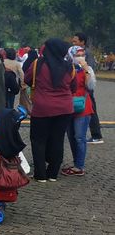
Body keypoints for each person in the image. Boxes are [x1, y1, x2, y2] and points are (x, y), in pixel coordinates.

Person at [24, 38, 76, 182]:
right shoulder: (69, 67)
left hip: (42, 108)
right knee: (58, 140)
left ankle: (40, 175)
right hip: (65, 109)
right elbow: (74, 87)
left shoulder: (37, 65)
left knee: (38, 141)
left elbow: (28, 79)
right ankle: (53, 173)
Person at [63, 46, 95, 177]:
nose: (80, 57)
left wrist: (86, 69)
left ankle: (79, 166)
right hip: (68, 106)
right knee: (71, 137)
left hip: (83, 107)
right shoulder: (67, 68)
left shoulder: (87, 69)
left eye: (82, 54)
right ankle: (76, 163)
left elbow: (91, 86)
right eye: (77, 55)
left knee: (80, 137)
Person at [71, 32, 103, 144]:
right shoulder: (76, 52)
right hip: (79, 87)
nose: (73, 43)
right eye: (73, 41)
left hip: (86, 87)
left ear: (82, 42)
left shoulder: (86, 54)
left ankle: (96, 135)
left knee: (90, 110)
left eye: (75, 41)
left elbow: (88, 70)